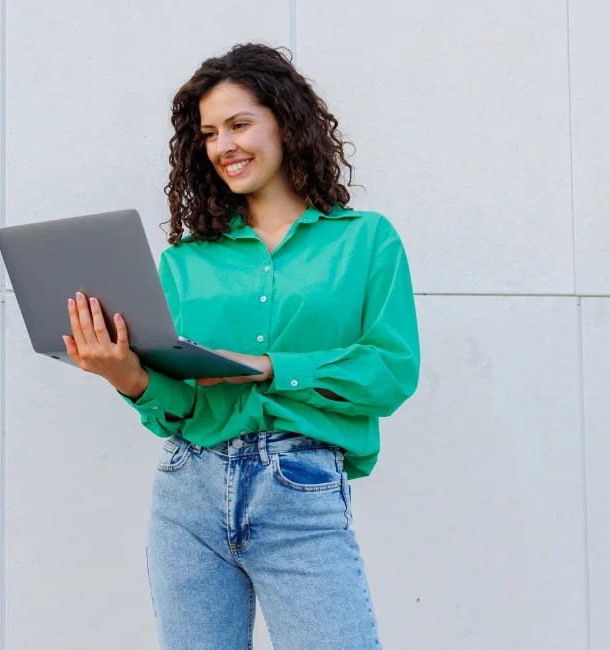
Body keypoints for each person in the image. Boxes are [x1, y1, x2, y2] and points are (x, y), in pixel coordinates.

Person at [62, 43, 420, 650]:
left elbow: (389, 372)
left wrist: (268, 368)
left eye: (238, 124)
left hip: (300, 488)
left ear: (286, 122)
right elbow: (182, 404)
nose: (223, 146)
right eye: (209, 134)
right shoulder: (185, 261)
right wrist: (126, 376)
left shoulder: (365, 241)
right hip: (188, 488)